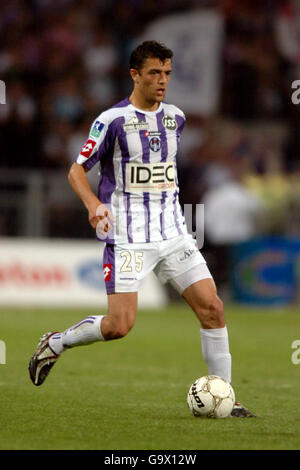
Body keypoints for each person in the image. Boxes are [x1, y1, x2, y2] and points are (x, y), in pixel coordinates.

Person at [28, 40, 255, 418]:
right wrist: (94, 204)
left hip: (173, 232)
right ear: (135, 75)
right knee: (119, 326)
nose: (162, 80)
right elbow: (76, 170)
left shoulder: (176, 118)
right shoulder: (111, 121)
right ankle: (56, 342)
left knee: (213, 308)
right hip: (128, 237)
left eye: (167, 73)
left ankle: (226, 398)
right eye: (154, 73)